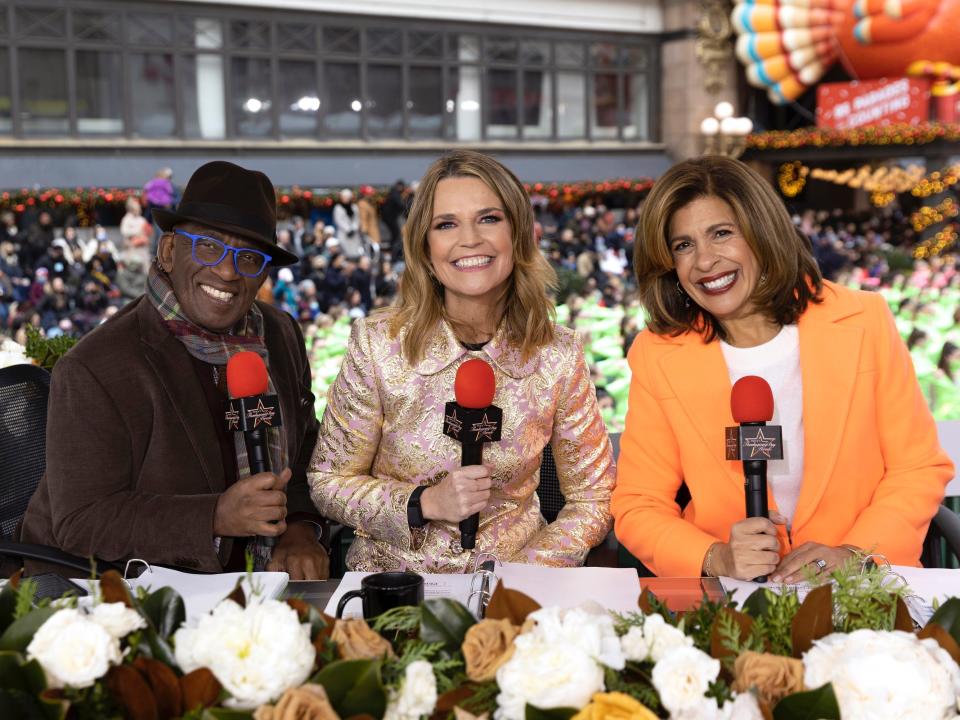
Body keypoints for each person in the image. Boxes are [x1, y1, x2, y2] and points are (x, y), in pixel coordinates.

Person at [612, 156, 953, 581]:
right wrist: (717, 557)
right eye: (683, 245)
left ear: (761, 233)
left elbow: (917, 466)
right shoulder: (657, 353)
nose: (704, 261)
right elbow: (639, 504)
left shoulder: (864, 321)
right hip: (734, 600)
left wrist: (855, 554)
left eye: (721, 234)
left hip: (859, 591)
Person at [309, 150, 615, 573]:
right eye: (446, 224)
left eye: (489, 218)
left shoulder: (558, 354)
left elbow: (592, 498)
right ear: (426, 248)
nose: (469, 238)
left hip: (517, 589)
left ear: (518, 234)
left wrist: (527, 576)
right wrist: (423, 503)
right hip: (395, 590)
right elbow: (328, 482)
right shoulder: (377, 345)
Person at [22, 161, 330, 580]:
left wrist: (299, 527)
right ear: (168, 251)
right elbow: (82, 522)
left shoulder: (278, 333)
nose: (226, 270)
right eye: (208, 246)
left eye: (248, 257)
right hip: (121, 592)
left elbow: (307, 451)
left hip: (260, 589)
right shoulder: (96, 367)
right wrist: (214, 516)